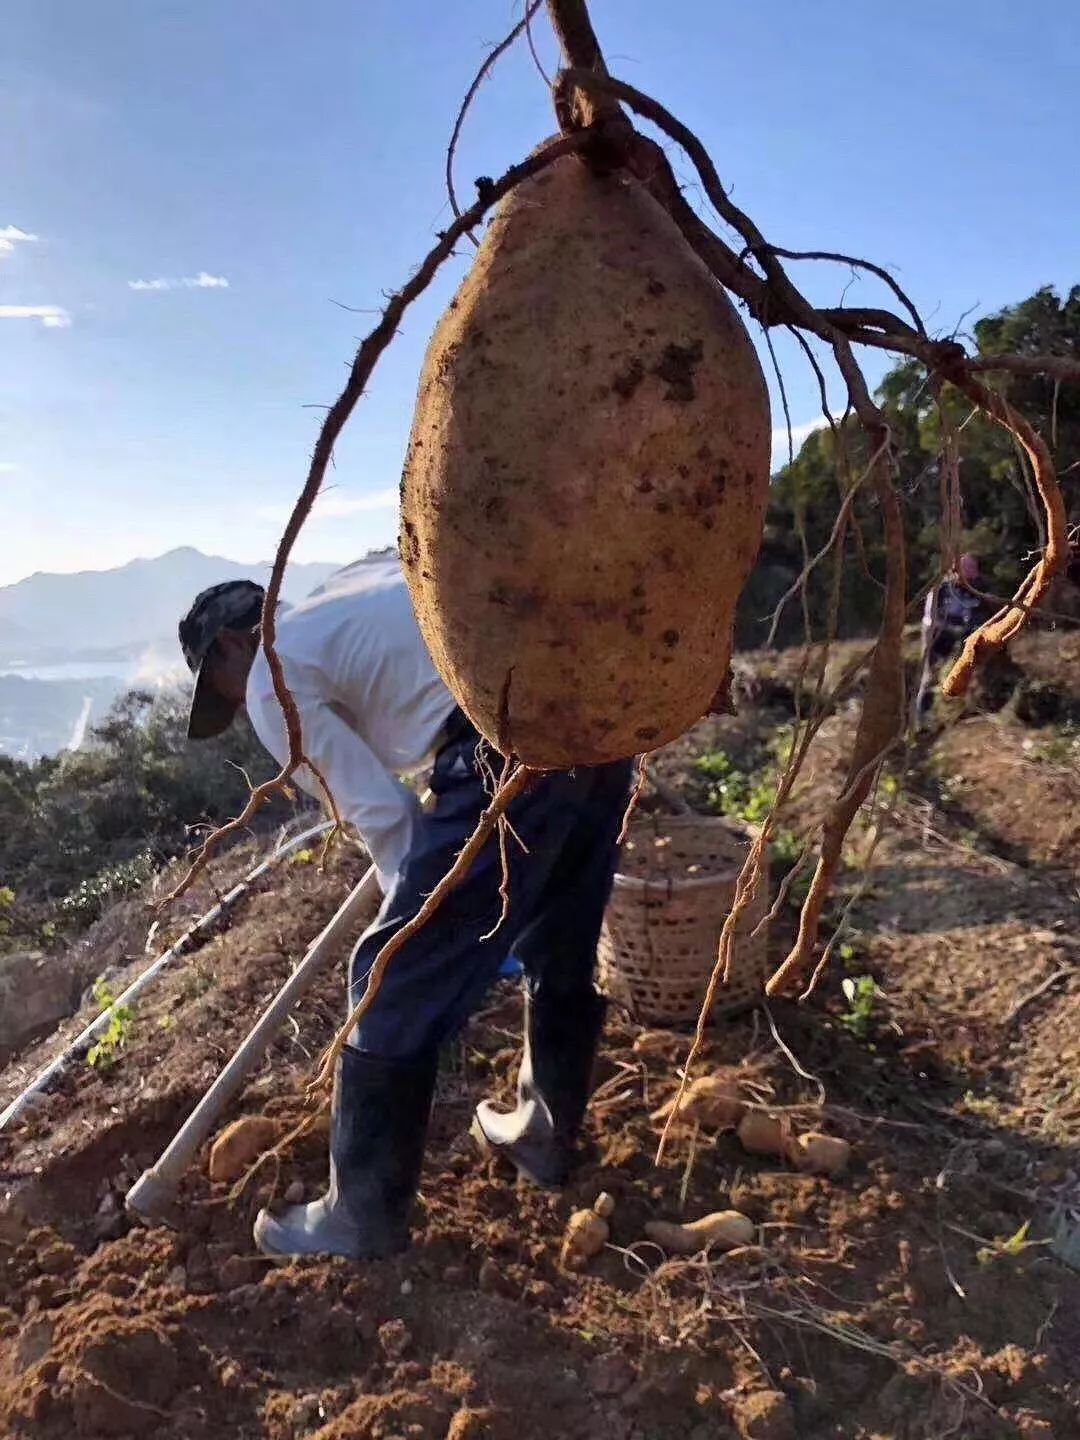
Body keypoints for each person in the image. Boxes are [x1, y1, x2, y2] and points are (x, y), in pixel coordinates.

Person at [179, 555, 631, 1260]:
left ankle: (359, 1220)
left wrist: (410, 924)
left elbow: (384, 816)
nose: (239, 707)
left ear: (233, 646)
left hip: (502, 743)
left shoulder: (270, 681)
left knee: (388, 976)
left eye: (222, 690)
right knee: (559, 936)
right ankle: (544, 1134)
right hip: (591, 708)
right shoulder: (342, 595)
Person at [915, 553, 986, 717]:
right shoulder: (940, 590)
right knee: (931, 677)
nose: (968, 580)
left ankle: (957, 711)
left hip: (962, 641)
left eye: (971, 575)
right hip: (937, 638)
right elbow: (930, 619)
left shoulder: (977, 591)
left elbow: (982, 616)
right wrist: (949, 628)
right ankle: (923, 718)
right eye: (965, 573)